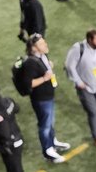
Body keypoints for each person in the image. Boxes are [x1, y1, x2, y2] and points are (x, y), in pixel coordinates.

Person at [18, 34, 70, 163]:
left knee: (50, 122)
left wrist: (48, 68)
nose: (45, 45)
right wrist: (44, 78)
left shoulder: (43, 56)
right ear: (34, 48)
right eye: (42, 44)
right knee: (44, 125)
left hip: (48, 95)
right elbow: (28, 84)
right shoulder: (30, 62)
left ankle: (52, 142)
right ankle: (47, 151)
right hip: (41, 99)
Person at [66, 28, 96, 148]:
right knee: (93, 111)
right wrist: (78, 82)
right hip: (85, 87)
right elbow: (69, 66)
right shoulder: (78, 48)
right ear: (89, 40)